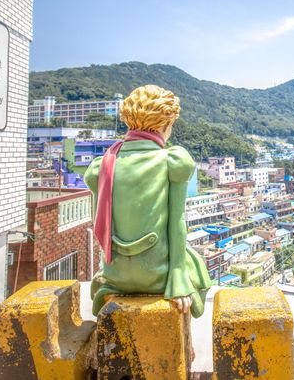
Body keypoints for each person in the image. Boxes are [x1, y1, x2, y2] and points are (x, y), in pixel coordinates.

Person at [84, 85, 211, 320]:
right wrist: (177, 277)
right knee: (195, 264)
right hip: (157, 275)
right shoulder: (172, 160)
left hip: (116, 276)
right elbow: (177, 222)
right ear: (166, 124)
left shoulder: (103, 164)